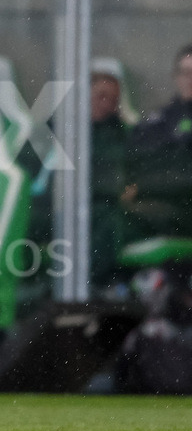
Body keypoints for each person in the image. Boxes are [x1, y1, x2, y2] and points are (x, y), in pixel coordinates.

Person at [123, 46, 192, 240]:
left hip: (180, 211)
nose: (190, 79)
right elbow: (135, 157)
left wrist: (143, 187)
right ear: (175, 77)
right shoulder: (161, 119)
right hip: (152, 205)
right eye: (185, 73)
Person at [88, 71, 129, 294]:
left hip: (100, 203)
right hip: (53, 204)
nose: (107, 105)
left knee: (105, 219)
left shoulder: (119, 135)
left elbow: (121, 175)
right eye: (101, 96)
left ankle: (91, 287)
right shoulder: (56, 128)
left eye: (113, 100)